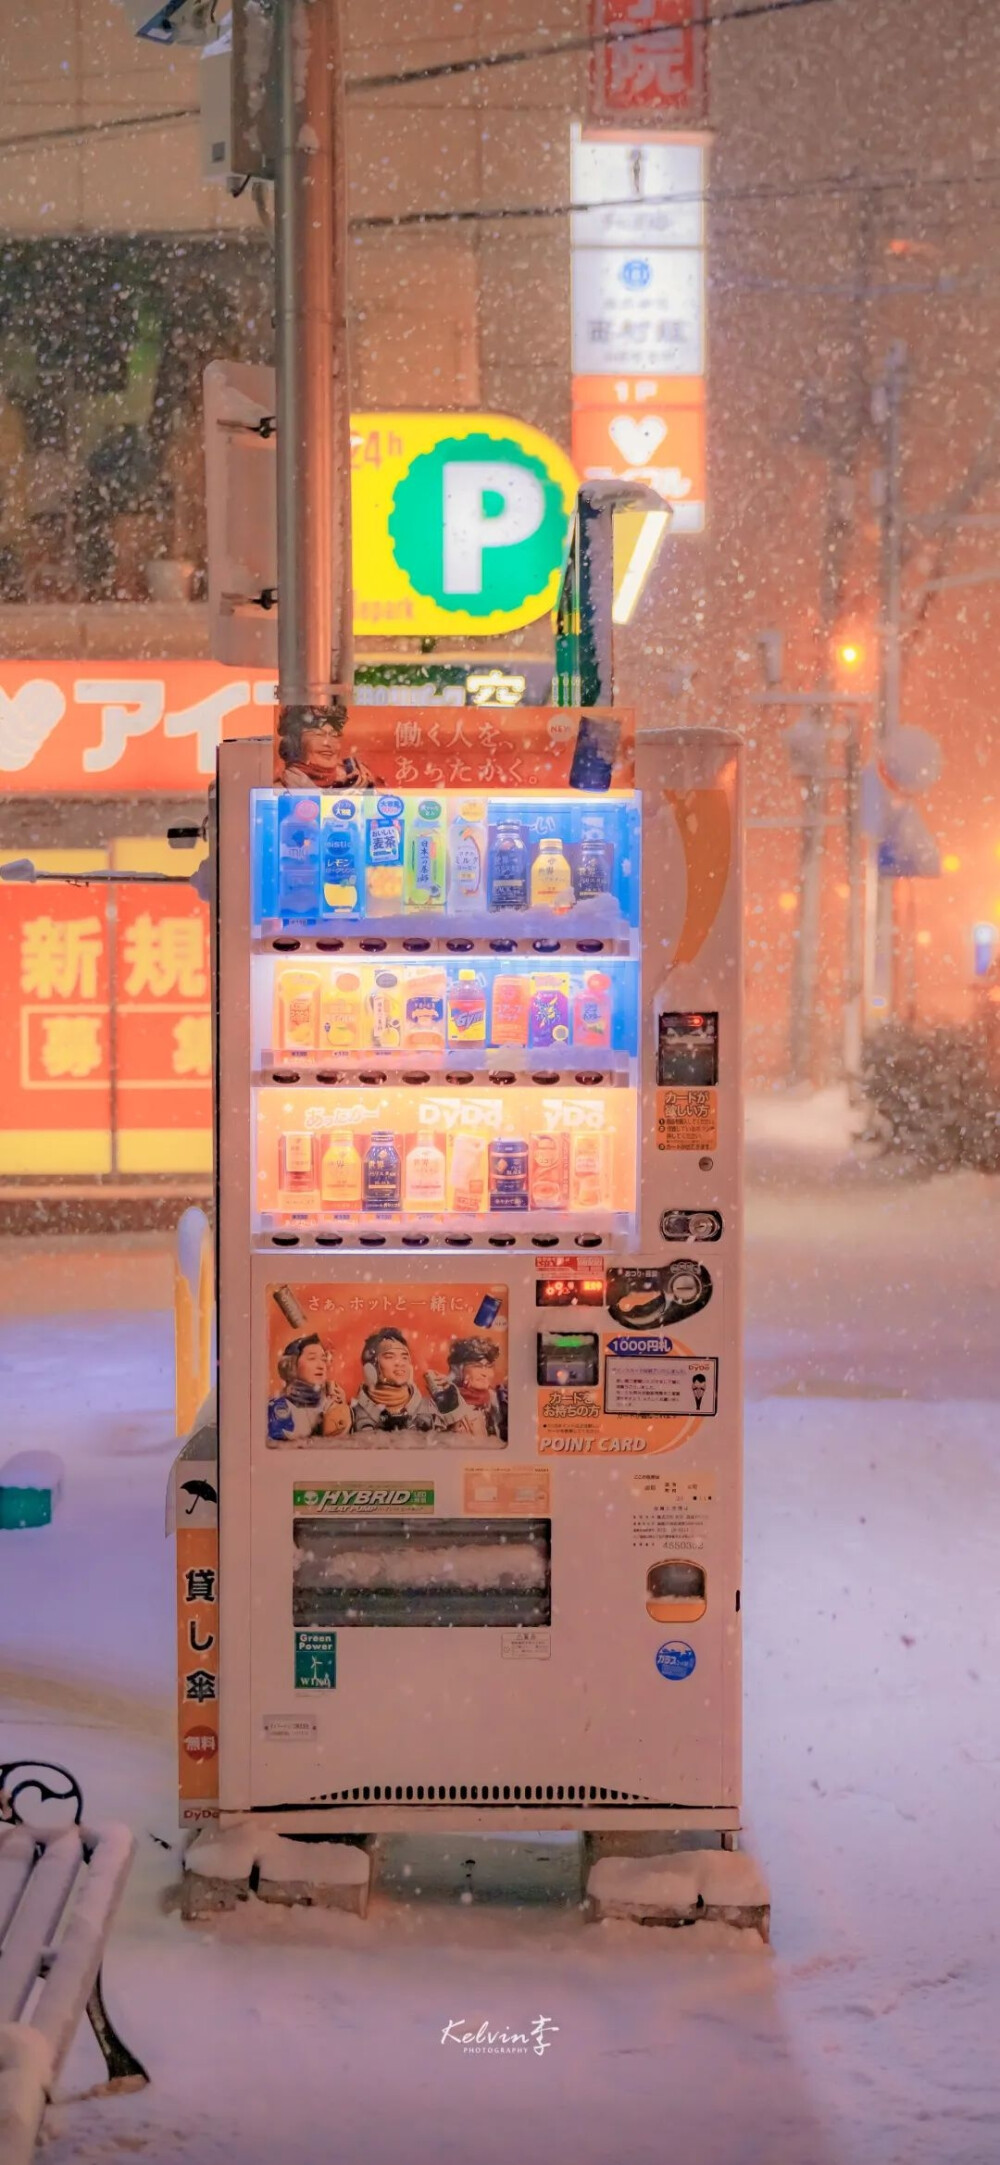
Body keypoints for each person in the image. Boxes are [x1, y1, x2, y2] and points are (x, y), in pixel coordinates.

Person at [268, 1333, 351, 1444]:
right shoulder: (279, 1410)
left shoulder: (329, 1405)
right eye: (312, 1358)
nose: (321, 1366)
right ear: (292, 1365)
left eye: (323, 1359)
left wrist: (342, 1413)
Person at [351, 1327, 436, 1435]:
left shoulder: (431, 1410)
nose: (399, 1363)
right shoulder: (353, 1415)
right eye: (389, 1357)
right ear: (370, 1368)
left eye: (404, 1357)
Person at [425, 1337, 507, 1440]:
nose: (485, 1373)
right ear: (458, 1370)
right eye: (477, 1366)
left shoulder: (499, 1401)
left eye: (489, 1366)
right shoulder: (442, 1402)